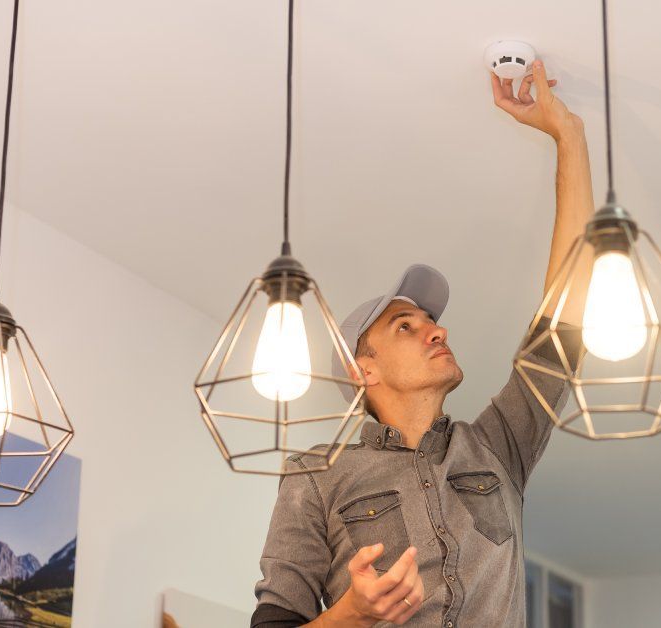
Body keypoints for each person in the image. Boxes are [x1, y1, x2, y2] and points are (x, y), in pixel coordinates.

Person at [252, 59, 593, 627]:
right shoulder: (314, 476)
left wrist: (570, 135)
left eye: (430, 321)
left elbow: (564, 322)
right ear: (365, 370)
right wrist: (354, 614)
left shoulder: (497, 448)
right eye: (404, 327)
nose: (438, 330)